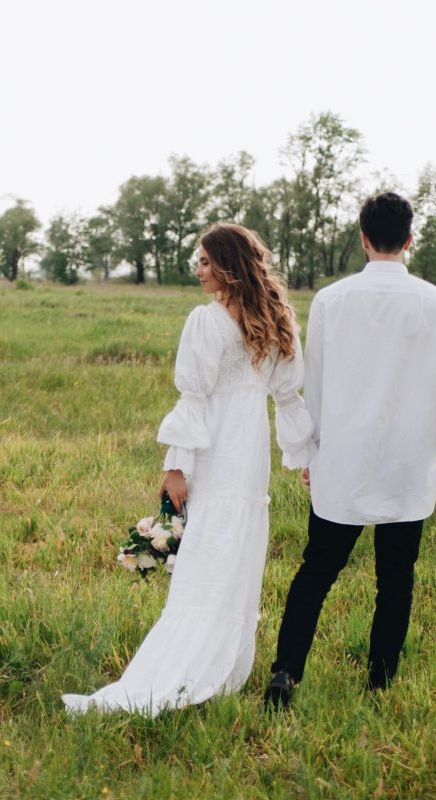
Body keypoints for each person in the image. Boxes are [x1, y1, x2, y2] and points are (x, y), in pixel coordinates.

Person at [62, 223, 315, 717]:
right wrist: (180, 462)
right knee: (215, 551)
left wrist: (178, 467)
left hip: (230, 455)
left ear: (227, 263)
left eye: (203, 261)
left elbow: (261, 396)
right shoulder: (260, 317)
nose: (197, 270)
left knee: (225, 554)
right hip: (239, 453)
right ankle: (205, 662)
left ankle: (201, 668)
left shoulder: (229, 319)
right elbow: (272, 398)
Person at [264, 191, 436, 710]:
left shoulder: (331, 301)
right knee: (396, 579)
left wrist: (310, 453)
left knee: (315, 571)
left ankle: (285, 673)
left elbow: (311, 386)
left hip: (343, 461)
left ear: (363, 239)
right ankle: (379, 683)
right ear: (409, 240)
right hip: (405, 465)